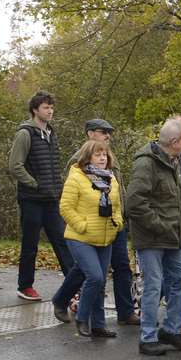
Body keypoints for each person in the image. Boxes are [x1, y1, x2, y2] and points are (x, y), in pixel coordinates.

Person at [127, 116, 181, 356]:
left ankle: (171, 329)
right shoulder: (146, 164)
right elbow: (135, 203)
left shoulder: (174, 160)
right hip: (151, 238)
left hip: (173, 235)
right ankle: (147, 337)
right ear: (175, 141)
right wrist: (160, 226)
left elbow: (175, 199)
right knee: (153, 285)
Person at [53, 138, 125, 338]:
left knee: (99, 283)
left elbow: (117, 206)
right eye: (98, 154)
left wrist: (117, 222)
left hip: (105, 237)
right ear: (88, 157)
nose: (102, 158)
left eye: (105, 154)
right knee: (95, 276)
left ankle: (98, 325)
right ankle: (82, 318)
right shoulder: (76, 177)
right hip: (80, 237)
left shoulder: (111, 178)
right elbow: (65, 208)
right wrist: (81, 225)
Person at [7, 91, 73, 302]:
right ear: (35, 110)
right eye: (46, 107)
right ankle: (25, 286)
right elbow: (14, 166)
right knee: (30, 245)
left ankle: (74, 285)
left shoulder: (51, 134)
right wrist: (34, 184)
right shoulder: (25, 134)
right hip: (32, 200)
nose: (50, 111)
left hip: (52, 199)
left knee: (63, 242)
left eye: (52, 107)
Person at [83, 119, 139, 325]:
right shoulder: (80, 159)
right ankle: (81, 308)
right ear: (90, 133)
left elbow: (120, 191)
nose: (108, 136)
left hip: (116, 223)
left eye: (110, 132)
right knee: (94, 271)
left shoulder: (110, 159)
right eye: (103, 132)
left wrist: (125, 216)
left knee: (122, 266)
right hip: (93, 225)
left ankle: (125, 311)